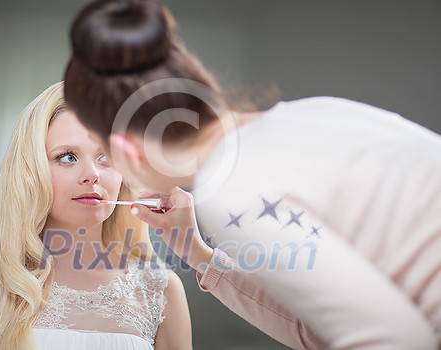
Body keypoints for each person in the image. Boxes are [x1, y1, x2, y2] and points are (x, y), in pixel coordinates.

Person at [63, 0, 441, 349]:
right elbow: (328, 326)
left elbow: (398, 338)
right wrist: (197, 253)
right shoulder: (315, 112)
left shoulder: (230, 190)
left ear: (128, 151)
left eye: (104, 153)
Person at [0, 81, 192, 350]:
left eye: (106, 157)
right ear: (31, 172)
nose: (93, 174)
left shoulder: (161, 290)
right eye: (67, 157)